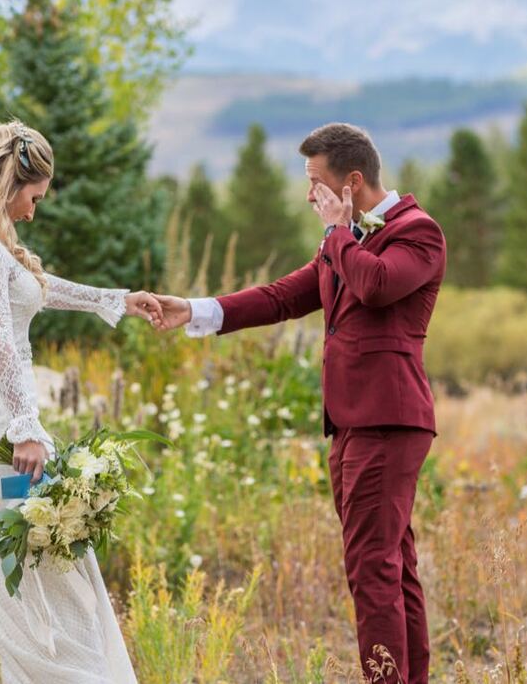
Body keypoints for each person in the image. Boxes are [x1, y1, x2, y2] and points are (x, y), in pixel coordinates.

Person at [154, 123, 446, 684]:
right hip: (351, 425)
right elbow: (283, 297)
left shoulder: (417, 232)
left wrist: (339, 234)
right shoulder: (347, 240)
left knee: (371, 567)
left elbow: (377, 286)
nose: (308, 194)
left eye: (315, 183)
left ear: (351, 182)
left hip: (388, 420)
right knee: (390, 565)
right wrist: (192, 309)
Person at [0, 121, 160, 683]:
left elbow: (34, 287)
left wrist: (117, 301)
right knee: (58, 570)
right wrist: (25, 428)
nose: (32, 212)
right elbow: (2, 341)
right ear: (7, 180)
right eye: (32, 197)